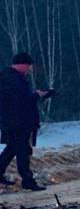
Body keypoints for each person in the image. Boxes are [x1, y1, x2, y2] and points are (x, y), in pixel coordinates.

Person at [0, 52, 53, 191]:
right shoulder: (12, 79)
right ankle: (28, 180)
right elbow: (21, 101)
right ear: (23, 65)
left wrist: (39, 95)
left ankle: (6, 174)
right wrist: (37, 95)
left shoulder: (11, 77)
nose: (29, 69)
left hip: (16, 121)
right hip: (18, 122)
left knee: (12, 149)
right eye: (28, 66)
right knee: (23, 150)